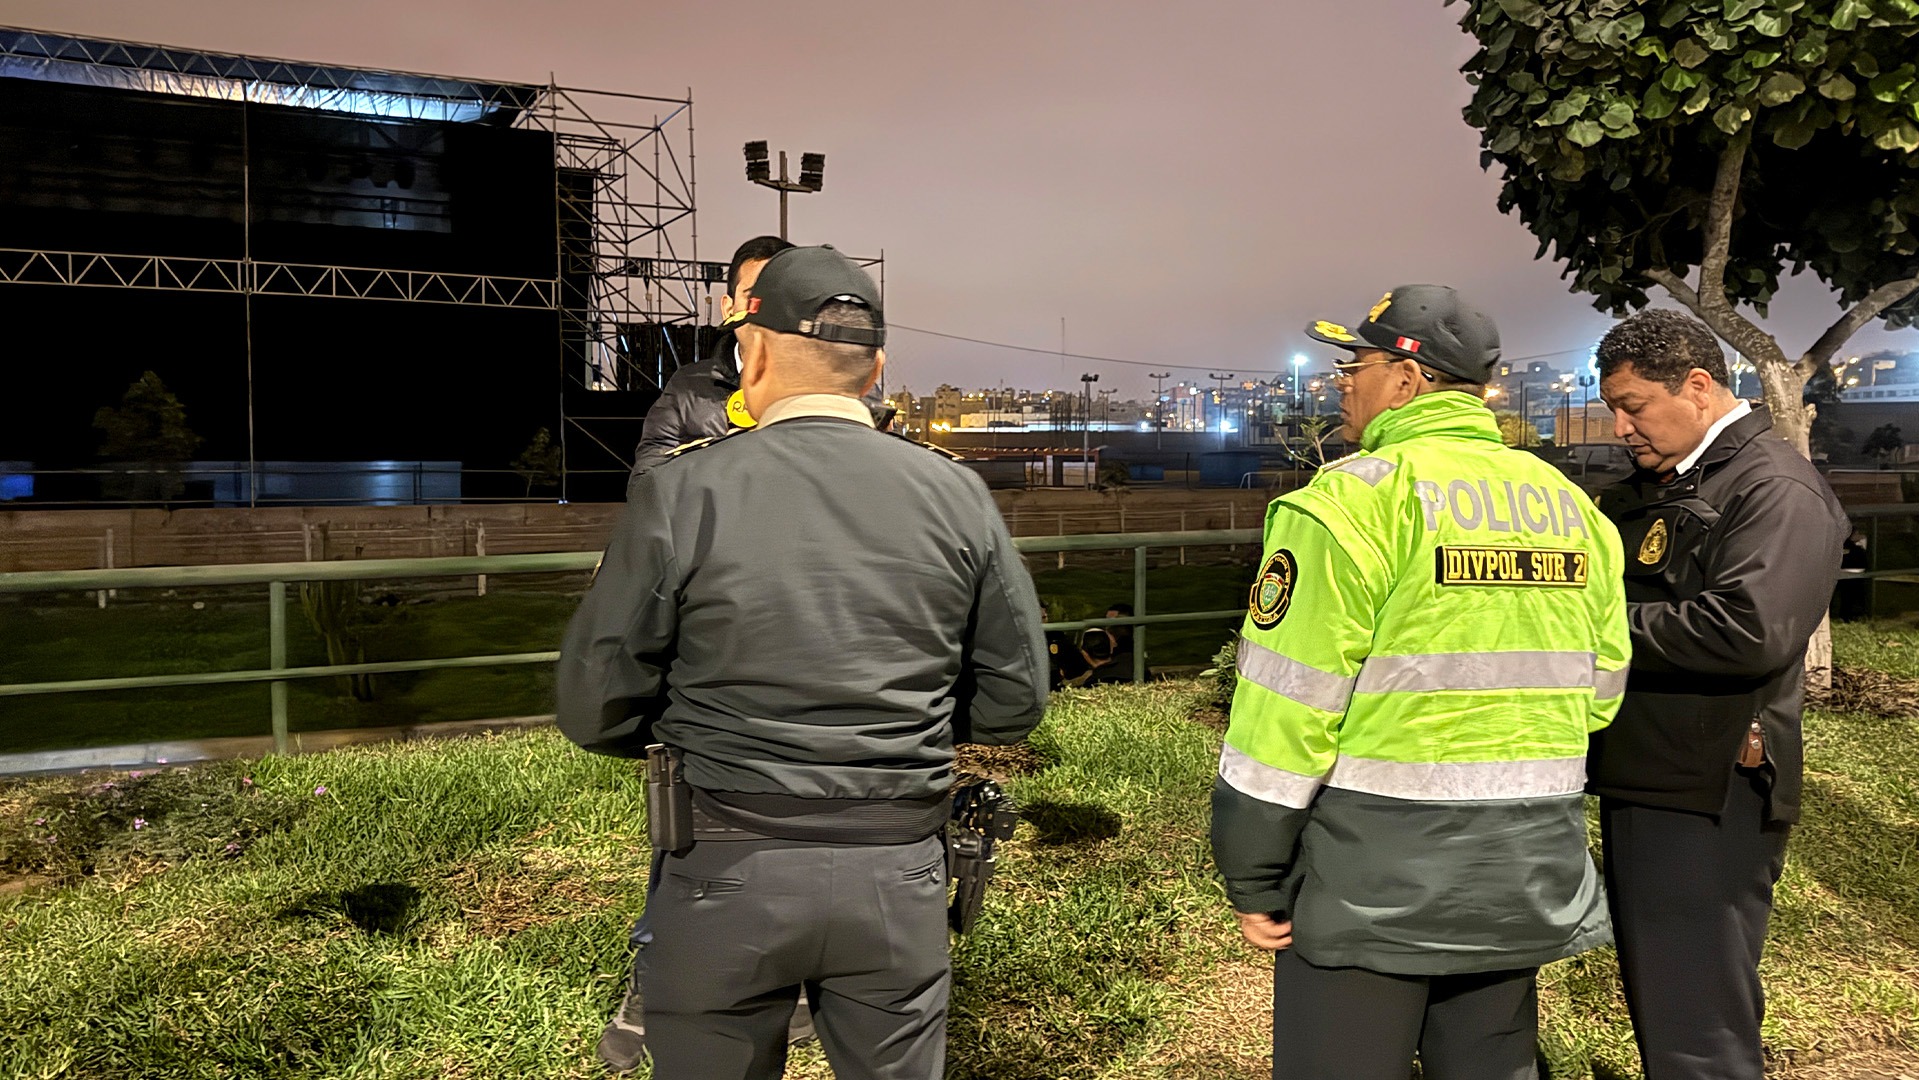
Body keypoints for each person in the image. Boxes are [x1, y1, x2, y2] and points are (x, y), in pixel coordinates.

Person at [558, 244, 1048, 1080]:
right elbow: (1014, 698)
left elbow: (594, 705)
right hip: (899, 865)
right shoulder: (957, 492)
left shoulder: (684, 491)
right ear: (875, 366)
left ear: (750, 350)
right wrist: (906, 716)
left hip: (722, 863)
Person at [1210, 285, 1629, 1080]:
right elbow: (1599, 695)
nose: (1340, 381)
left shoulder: (1345, 505)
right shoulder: (1575, 509)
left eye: (1353, 364)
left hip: (1371, 886)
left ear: (1406, 381)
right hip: (1522, 872)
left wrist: (1253, 870)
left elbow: (1283, 717)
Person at [1588, 309, 1848, 1080]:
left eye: (1631, 406)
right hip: (1656, 772)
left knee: (1696, 1023)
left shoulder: (1773, 487)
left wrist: (1592, 627)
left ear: (1696, 388)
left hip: (1712, 789)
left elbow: (1751, 629)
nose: (1618, 425)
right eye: (1613, 407)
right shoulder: (1670, 482)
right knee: (1671, 1003)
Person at [628, 235, 793, 486]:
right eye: (753, 296)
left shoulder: (836, 386)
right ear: (728, 309)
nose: (766, 311)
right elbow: (647, 482)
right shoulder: (687, 388)